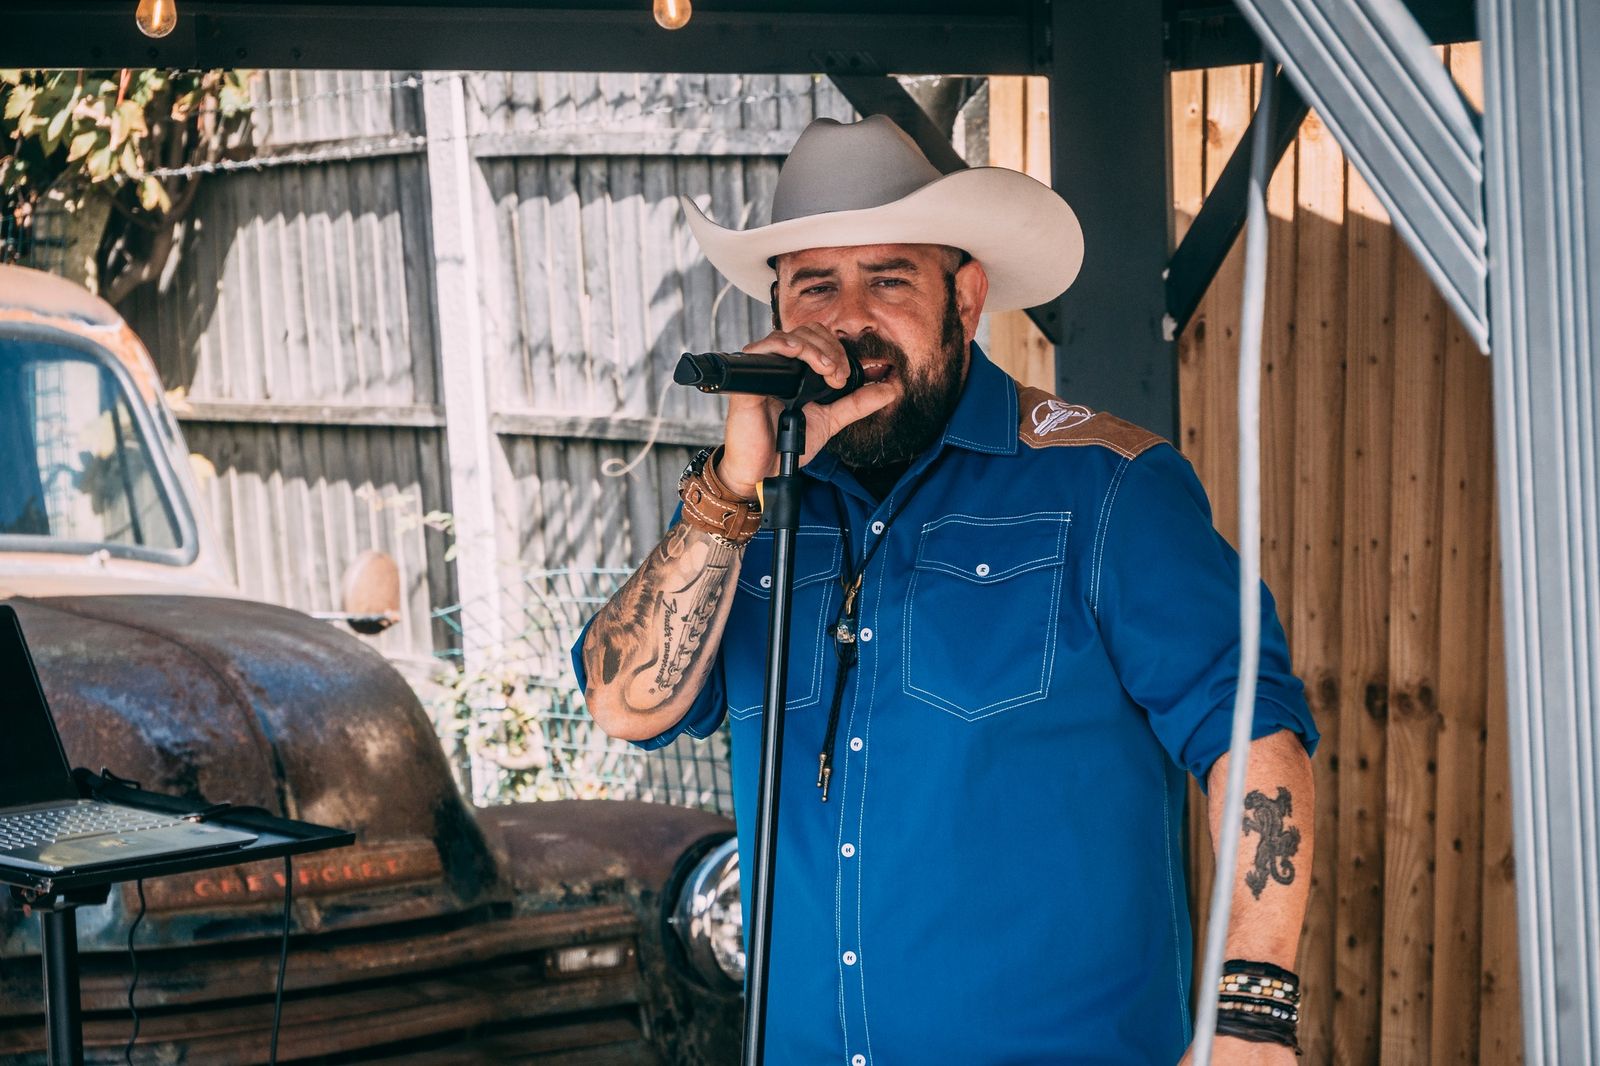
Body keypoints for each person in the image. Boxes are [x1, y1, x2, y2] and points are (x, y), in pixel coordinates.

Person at [574, 115, 1318, 1065]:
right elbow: (624, 704)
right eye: (816, 285)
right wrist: (732, 483)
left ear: (965, 299)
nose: (850, 319)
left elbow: (1251, 734)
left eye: (889, 280)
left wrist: (1252, 1013)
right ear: (779, 307)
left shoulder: (1107, 487)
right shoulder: (751, 514)